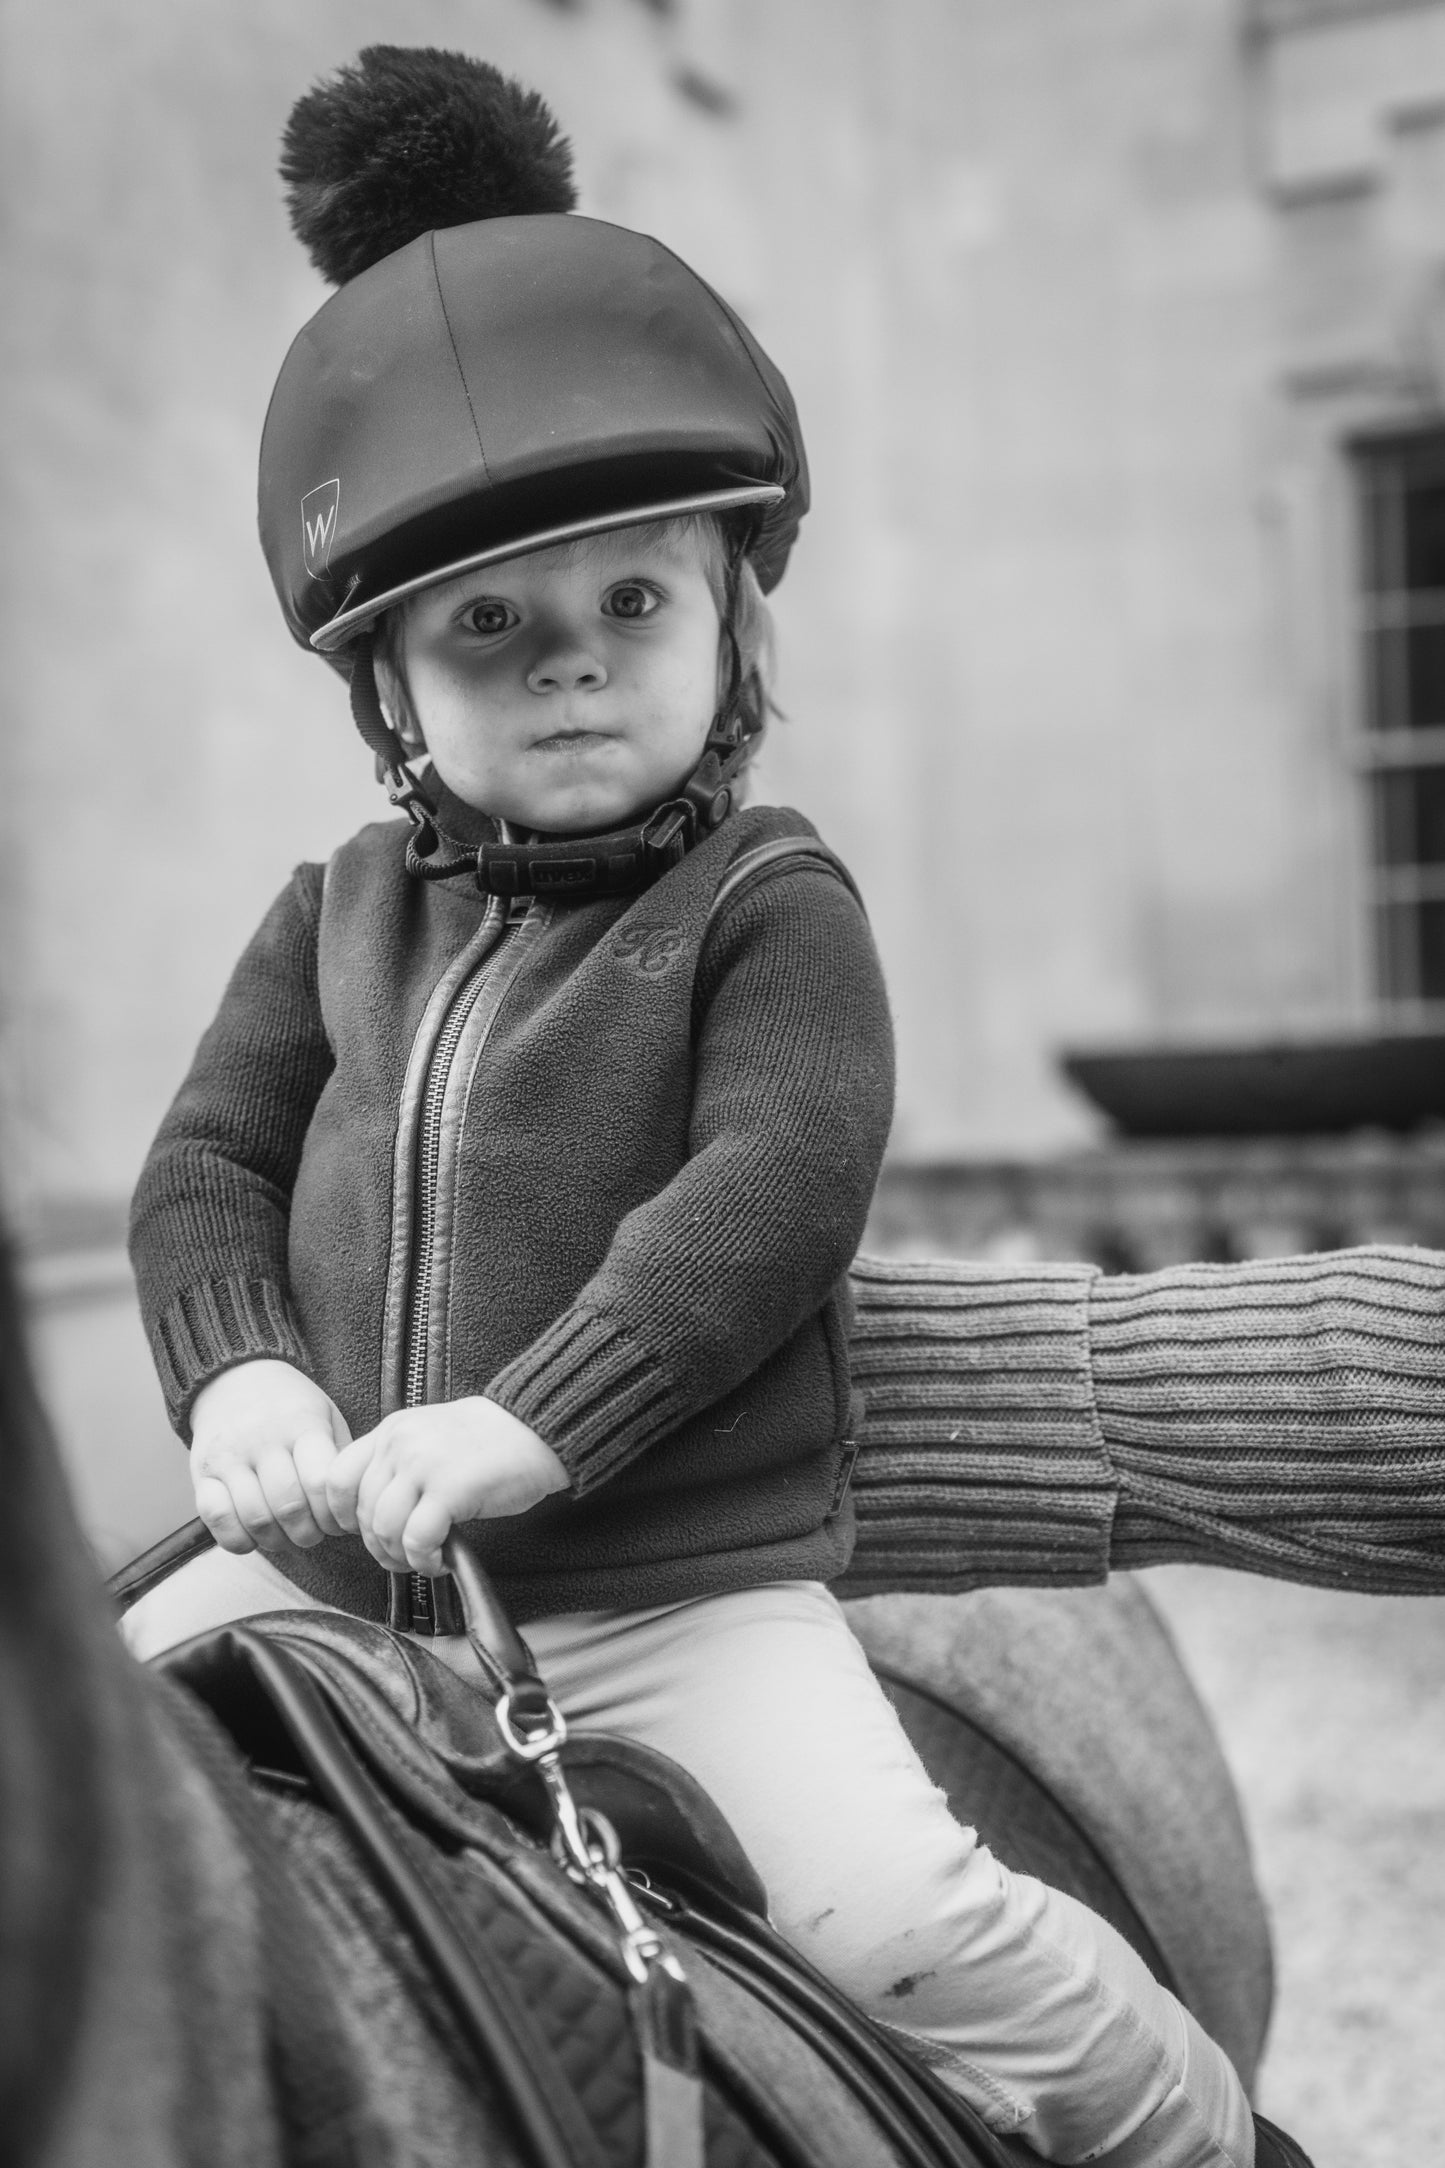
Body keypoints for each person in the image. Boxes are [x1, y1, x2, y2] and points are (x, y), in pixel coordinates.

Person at [124, 47, 1254, 2166]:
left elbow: (774, 1188)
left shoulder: (769, 903)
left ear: (733, 610)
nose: (571, 665)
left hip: (661, 1589)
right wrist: (236, 1377)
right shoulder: (329, 916)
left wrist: (528, 1421)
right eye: (490, 629)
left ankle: (1202, 2130)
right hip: (333, 1575)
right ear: (391, 691)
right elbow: (205, 1167)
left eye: (630, 601)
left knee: (911, 1918)